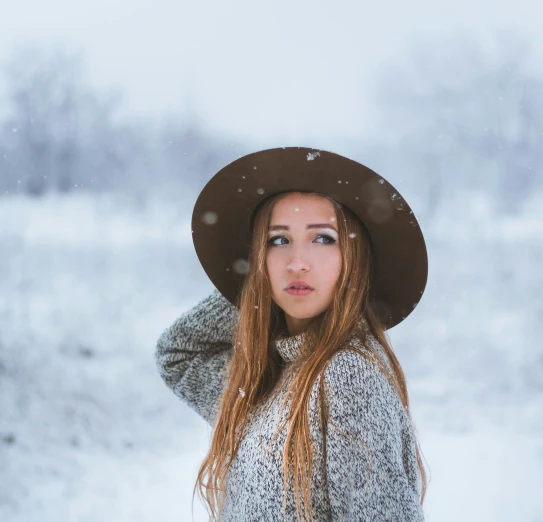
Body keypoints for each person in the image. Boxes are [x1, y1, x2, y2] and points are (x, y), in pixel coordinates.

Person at [155, 147, 429, 521]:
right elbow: (179, 354)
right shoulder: (264, 378)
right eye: (278, 241)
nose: (296, 263)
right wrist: (255, 291)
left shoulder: (348, 378)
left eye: (323, 239)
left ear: (357, 258)